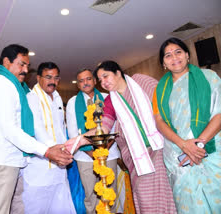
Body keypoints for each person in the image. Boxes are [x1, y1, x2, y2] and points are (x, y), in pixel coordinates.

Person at [0, 44, 88, 214]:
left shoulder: (18, 88)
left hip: (17, 161)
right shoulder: (4, 87)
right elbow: (11, 129)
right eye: (21, 64)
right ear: (6, 62)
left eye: (27, 66)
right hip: (3, 160)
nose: (24, 70)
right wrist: (48, 151)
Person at [93, 60, 177, 213]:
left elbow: (167, 101)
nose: (103, 82)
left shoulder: (140, 81)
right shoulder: (110, 100)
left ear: (118, 72)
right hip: (137, 157)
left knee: (168, 195)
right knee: (144, 196)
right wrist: (78, 140)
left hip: (160, 147)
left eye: (105, 76)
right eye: (100, 80)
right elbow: (103, 127)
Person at [153, 37, 221, 213]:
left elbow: (219, 113)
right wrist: (184, 145)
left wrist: (197, 146)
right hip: (178, 155)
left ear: (187, 55)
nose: (174, 57)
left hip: (210, 151)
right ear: (163, 64)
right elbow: (160, 121)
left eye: (178, 52)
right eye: (167, 55)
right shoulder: (159, 90)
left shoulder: (209, 77)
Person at [19, 62, 76, 214]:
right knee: (36, 207)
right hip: (40, 164)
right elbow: (37, 127)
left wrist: (65, 148)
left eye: (56, 78)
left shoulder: (57, 98)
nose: (53, 81)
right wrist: (55, 149)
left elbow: (61, 128)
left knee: (61, 206)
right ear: (38, 78)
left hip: (59, 165)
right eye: (48, 77)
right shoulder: (31, 98)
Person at [66, 69, 122, 214]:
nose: (85, 83)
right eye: (81, 81)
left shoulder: (107, 97)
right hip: (84, 156)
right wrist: (92, 153)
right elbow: (73, 132)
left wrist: (105, 148)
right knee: (91, 194)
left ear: (95, 81)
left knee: (110, 192)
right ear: (77, 85)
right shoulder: (72, 102)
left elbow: (115, 125)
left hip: (109, 152)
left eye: (88, 79)